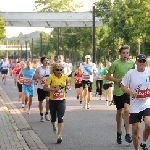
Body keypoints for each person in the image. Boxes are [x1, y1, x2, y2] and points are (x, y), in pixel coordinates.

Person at [120, 54, 150, 150]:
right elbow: (122, 85)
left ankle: (144, 143)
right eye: (139, 61)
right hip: (135, 104)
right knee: (136, 129)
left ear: (145, 62)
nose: (141, 63)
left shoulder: (149, 72)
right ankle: (136, 148)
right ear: (136, 62)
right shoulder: (131, 73)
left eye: (143, 61)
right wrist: (130, 92)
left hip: (147, 102)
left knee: (149, 125)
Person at [106, 45, 134, 144]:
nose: (125, 55)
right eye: (123, 53)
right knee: (119, 111)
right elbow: (108, 77)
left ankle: (127, 134)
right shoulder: (115, 63)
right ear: (120, 54)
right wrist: (118, 80)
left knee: (126, 110)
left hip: (127, 90)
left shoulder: (132, 63)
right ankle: (119, 132)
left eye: (127, 53)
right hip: (118, 91)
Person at [43, 63, 70, 144]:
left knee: (61, 118)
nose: (59, 71)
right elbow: (45, 88)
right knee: (53, 118)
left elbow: (68, 82)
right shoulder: (51, 77)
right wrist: (53, 89)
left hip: (62, 99)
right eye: (57, 70)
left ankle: (59, 136)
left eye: (60, 70)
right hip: (53, 100)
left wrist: (68, 86)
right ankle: (54, 125)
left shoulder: (65, 76)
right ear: (54, 70)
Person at [33, 57, 50, 122]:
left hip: (48, 87)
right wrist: (38, 77)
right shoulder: (39, 69)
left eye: (47, 60)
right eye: (45, 61)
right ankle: (41, 114)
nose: (46, 62)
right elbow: (34, 77)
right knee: (41, 102)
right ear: (42, 62)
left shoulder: (50, 69)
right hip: (40, 87)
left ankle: (47, 114)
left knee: (48, 100)